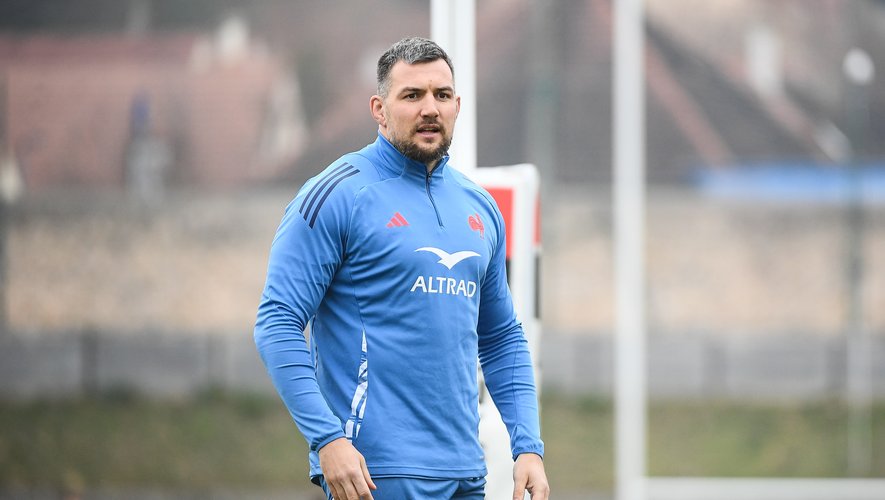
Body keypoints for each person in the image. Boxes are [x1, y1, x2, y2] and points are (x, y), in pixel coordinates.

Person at [254, 36, 549, 500]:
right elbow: (277, 322)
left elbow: (501, 337)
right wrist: (328, 439)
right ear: (379, 109)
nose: (430, 108)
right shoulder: (338, 194)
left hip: (465, 474)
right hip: (375, 475)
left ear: (457, 106)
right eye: (412, 95)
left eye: (442, 95)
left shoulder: (481, 208)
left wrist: (527, 446)